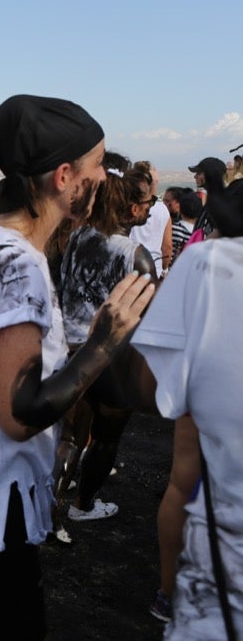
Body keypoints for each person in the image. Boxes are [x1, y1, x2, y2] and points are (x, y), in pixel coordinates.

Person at [0, 94, 155, 639]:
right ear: (65, 177)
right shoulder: (16, 266)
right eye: (98, 165)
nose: (104, 177)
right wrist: (103, 343)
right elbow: (18, 414)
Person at [132, 179, 243, 638]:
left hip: (218, 591)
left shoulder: (207, 262)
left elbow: (153, 387)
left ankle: (166, 592)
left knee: (182, 482)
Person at [54, 163, 157, 530]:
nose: (150, 209)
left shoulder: (79, 235)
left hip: (70, 349)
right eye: (148, 203)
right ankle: (82, 505)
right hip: (113, 358)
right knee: (105, 439)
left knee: (70, 437)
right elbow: (147, 316)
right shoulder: (136, 255)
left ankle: (49, 512)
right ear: (132, 209)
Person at [129, 160, 173, 277]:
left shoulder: (129, 204)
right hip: (154, 268)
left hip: (129, 265)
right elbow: (167, 246)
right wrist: (165, 269)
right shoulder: (163, 209)